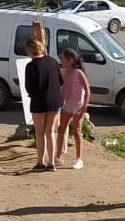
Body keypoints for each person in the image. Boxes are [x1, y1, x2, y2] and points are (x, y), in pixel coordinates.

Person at [22, 22, 63, 171]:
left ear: (30, 51)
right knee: (50, 131)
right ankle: (52, 163)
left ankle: (41, 162)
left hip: (39, 103)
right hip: (55, 101)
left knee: (39, 133)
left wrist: (34, 95)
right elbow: (61, 81)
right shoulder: (52, 61)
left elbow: (29, 87)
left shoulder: (31, 66)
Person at [54, 48, 90, 170]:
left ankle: (79, 158)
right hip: (66, 105)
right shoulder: (62, 72)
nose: (60, 60)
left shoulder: (78, 73)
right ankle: (58, 156)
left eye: (62, 58)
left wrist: (85, 105)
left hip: (78, 106)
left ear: (70, 60)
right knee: (61, 129)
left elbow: (87, 89)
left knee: (77, 131)